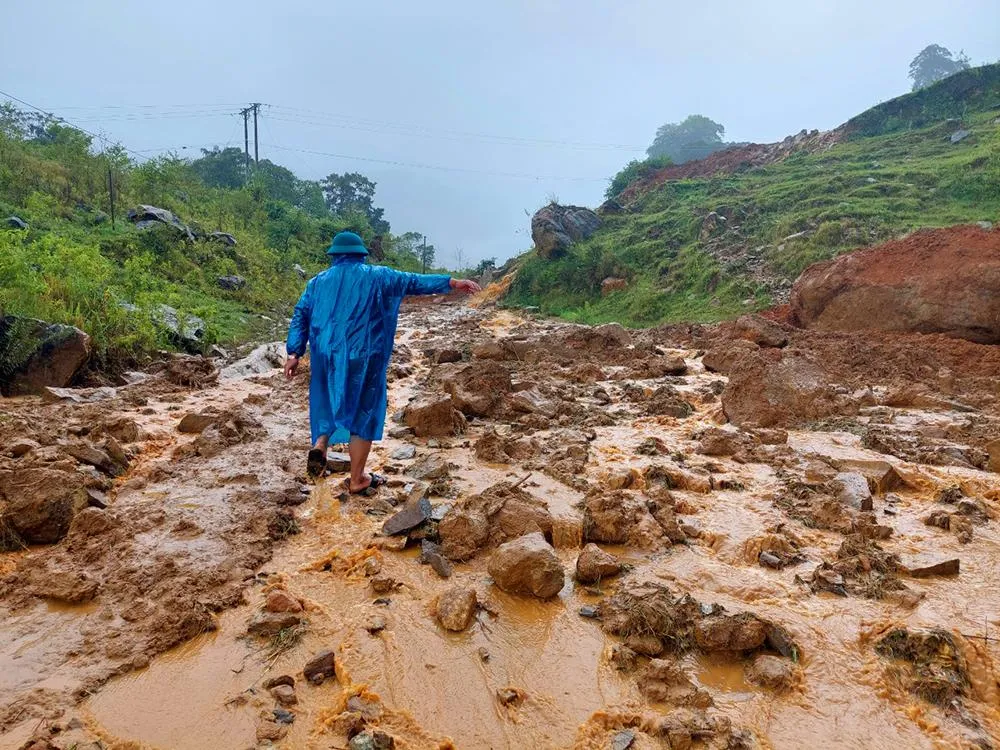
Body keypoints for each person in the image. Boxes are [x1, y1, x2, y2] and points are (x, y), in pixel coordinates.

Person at [284, 231, 481, 491]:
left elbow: (300, 315)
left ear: (334, 256)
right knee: (364, 411)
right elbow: (414, 281)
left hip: (325, 354)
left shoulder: (316, 283)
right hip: (365, 354)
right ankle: (357, 479)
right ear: (361, 255)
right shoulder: (378, 276)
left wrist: (294, 353)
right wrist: (452, 282)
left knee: (325, 399)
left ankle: (321, 444)